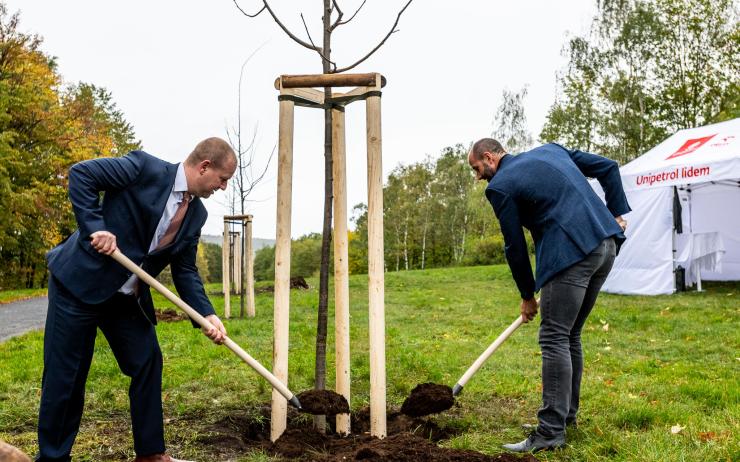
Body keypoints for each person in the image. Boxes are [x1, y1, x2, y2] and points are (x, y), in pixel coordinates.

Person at [37, 138, 237, 462]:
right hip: (78, 286)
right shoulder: (143, 169)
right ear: (205, 167)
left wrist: (207, 314)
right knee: (67, 376)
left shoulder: (196, 215)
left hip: (125, 300)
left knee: (147, 361)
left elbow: (185, 270)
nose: (224, 187)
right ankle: (53, 458)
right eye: (223, 179)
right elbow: (81, 174)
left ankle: (150, 454)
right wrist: (95, 227)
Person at [467, 139, 630, 453]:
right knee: (570, 335)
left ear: (489, 157)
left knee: (555, 336)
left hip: (571, 253)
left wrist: (527, 296)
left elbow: (514, 246)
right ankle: (564, 419)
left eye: (477, 168)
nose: (478, 177)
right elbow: (608, 167)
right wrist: (616, 214)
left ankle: (550, 432)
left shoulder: (500, 186)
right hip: (605, 245)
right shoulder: (551, 150)